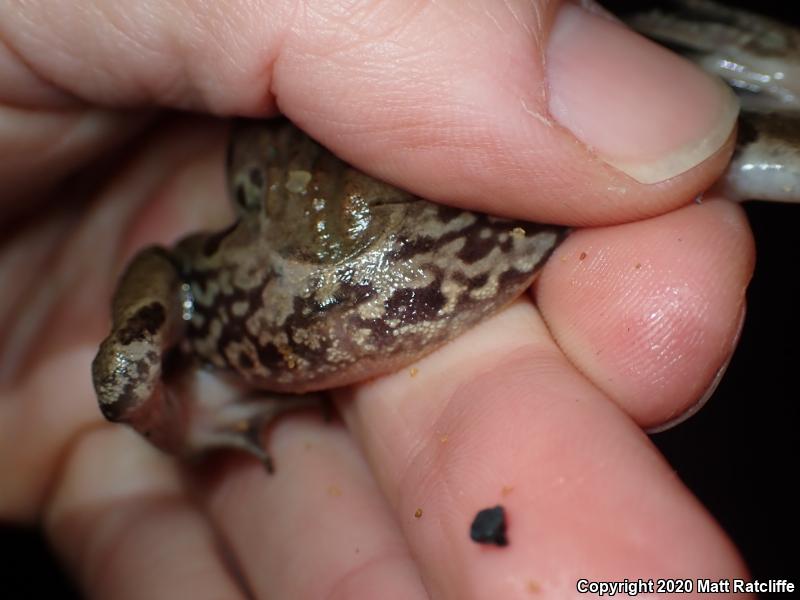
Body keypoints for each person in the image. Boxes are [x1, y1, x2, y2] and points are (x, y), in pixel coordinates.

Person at [0, 1, 754, 597]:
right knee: (125, 374)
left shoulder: (483, 184)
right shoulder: (238, 262)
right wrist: (182, 426)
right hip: (242, 284)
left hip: (375, 222)